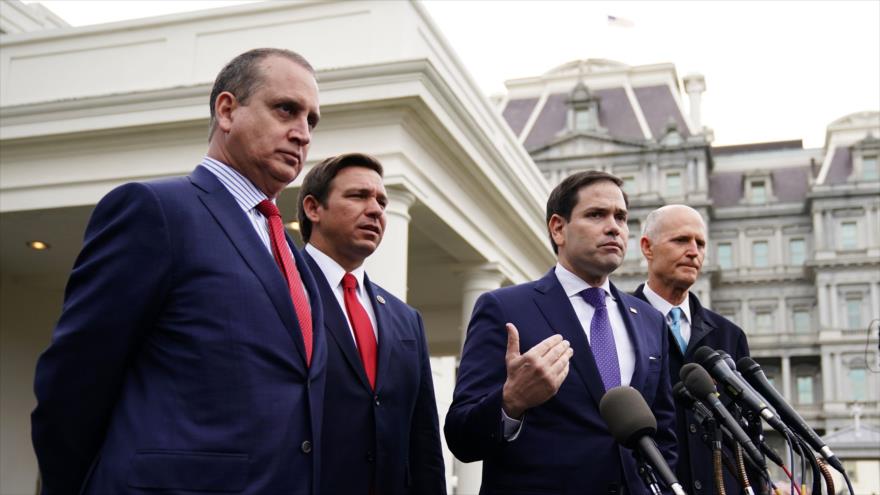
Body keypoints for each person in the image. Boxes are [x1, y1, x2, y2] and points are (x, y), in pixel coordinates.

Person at [31, 48, 327, 494]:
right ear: (227, 111)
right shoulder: (154, 211)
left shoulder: (293, 254)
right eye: (286, 109)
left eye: (311, 121)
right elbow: (72, 384)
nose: (302, 133)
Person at [445, 170, 677, 494]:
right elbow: (461, 436)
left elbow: (663, 434)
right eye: (596, 214)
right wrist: (512, 400)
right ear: (558, 228)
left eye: (621, 217)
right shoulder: (504, 308)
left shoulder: (650, 320)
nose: (614, 227)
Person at [297, 152, 446, 495]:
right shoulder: (281, 291)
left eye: (381, 201)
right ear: (313, 208)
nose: (376, 210)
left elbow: (423, 441)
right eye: (358, 196)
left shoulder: (407, 320)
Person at [632, 204, 752, 495]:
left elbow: (748, 431)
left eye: (700, 243)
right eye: (681, 240)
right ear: (647, 248)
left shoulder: (729, 335)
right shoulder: (619, 323)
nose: (693, 251)